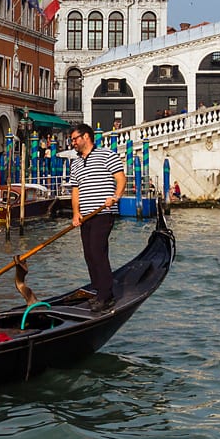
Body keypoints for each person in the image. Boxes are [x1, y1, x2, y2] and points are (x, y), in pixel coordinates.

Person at [68, 123, 125, 312]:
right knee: (89, 254)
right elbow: (75, 190)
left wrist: (115, 197)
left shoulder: (107, 155)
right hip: (86, 216)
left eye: (75, 139)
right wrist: (76, 213)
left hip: (103, 213)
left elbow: (121, 178)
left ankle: (106, 296)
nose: (73, 142)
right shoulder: (75, 163)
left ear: (86, 137)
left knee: (97, 251)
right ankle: (99, 290)